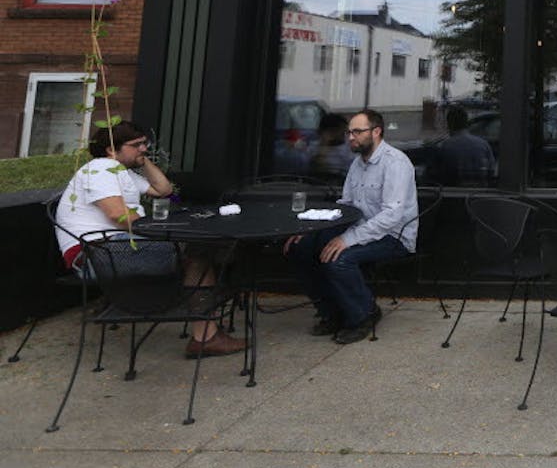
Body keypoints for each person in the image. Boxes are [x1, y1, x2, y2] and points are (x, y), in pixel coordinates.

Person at [53, 122, 244, 358]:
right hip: (97, 255)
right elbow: (117, 214)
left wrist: (143, 160)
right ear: (112, 150)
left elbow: (163, 190)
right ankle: (205, 335)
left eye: (145, 143)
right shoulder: (100, 169)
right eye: (136, 145)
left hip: (115, 249)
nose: (144, 148)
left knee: (202, 249)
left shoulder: (121, 172)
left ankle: (201, 319)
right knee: (198, 251)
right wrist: (157, 231)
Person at [285, 108, 417, 344]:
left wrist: (347, 239)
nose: (350, 137)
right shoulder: (358, 163)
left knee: (339, 259)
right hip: (358, 227)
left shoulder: (396, 163)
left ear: (376, 132)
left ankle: (363, 315)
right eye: (349, 132)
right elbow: (346, 204)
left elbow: (392, 216)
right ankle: (332, 313)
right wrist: (310, 229)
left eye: (357, 131)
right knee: (300, 248)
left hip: (394, 236)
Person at [436, 105, 496, 186]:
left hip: (453, 195)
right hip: (480, 195)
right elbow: (491, 173)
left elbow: (438, 176)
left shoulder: (445, 147)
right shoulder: (483, 144)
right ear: (466, 123)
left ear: (450, 124)